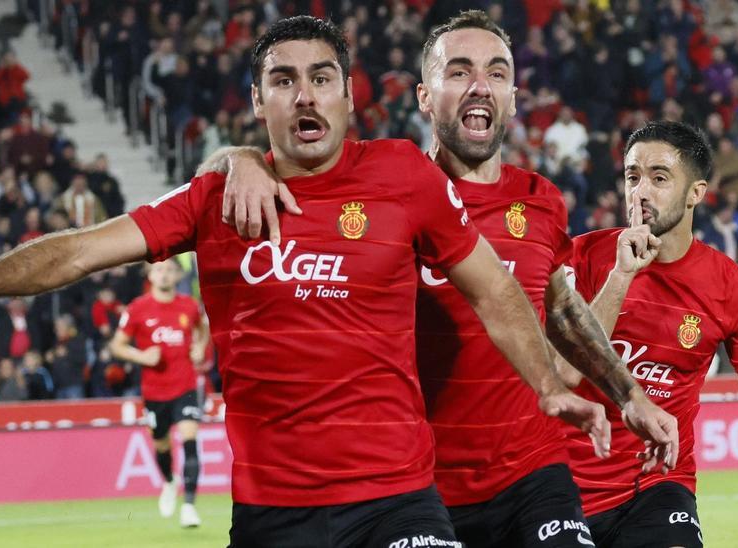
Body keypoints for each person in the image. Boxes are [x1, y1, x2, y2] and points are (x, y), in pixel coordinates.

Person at [0, 16, 609, 548]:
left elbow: (494, 290)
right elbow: (80, 252)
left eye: (321, 79)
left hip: (397, 501)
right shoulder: (212, 202)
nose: (305, 97)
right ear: (259, 103)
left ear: (347, 96)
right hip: (273, 513)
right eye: (283, 81)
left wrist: (547, 383)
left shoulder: (404, 177)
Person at [202, 11, 679, 547]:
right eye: (458, 72)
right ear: (425, 97)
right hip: (419, 489)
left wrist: (629, 394)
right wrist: (239, 158)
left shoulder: (541, 200)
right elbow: (288, 175)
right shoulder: (389, 191)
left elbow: (561, 309)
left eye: (497, 73)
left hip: (533, 472)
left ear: (514, 97)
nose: (480, 85)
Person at [562, 121, 738, 547]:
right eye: (632, 177)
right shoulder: (580, 258)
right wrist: (621, 276)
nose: (640, 191)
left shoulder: (730, 288)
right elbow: (564, 369)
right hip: (564, 489)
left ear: (696, 193)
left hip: (658, 488)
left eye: (659, 178)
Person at [108, 259, 209, 528]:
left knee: (189, 440)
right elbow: (117, 346)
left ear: (177, 275)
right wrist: (141, 356)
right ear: (150, 275)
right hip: (154, 391)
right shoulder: (138, 309)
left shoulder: (189, 306)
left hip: (185, 385)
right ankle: (168, 481)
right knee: (161, 445)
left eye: (169, 270)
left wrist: (199, 348)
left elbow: (202, 330)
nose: (164, 274)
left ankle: (189, 506)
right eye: (159, 270)